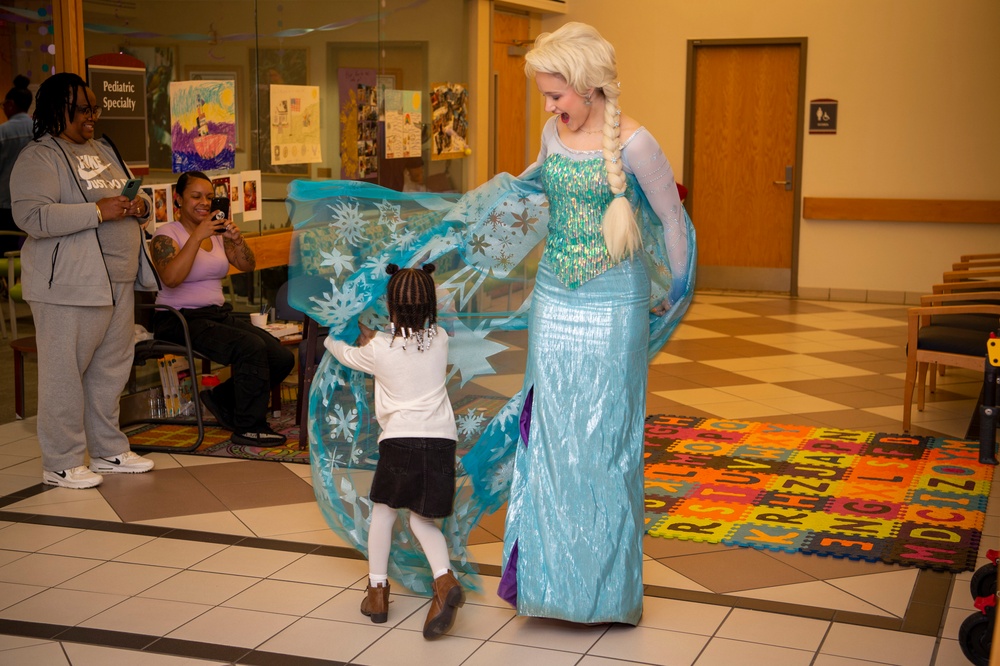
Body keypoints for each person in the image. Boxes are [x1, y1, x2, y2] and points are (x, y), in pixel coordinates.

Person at [284, 21, 694, 627]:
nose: (550, 107)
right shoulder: (555, 133)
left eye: (557, 94)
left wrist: (675, 290)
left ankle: (605, 593)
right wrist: (452, 228)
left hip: (614, 304)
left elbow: (673, 221)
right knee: (551, 437)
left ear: (586, 85)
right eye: (546, 96)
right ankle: (551, 589)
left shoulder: (637, 145)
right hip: (557, 297)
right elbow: (528, 190)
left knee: (602, 441)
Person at [10, 72, 158, 489]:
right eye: (84, 109)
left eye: (95, 108)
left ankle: (109, 449)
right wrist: (97, 211)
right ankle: (61, 460)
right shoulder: (38, 157)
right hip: (69, 285)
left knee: (111, 370)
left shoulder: (103, 148)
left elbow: (129, 198)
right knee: (64, 373)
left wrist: (139, 207)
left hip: (117, 280)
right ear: (58, 109)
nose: (93, 116)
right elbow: (32, 216)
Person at [324, 263, 465, 639]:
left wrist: (335, 336)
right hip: (440, 441)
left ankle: (377, 593)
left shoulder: (379, 351)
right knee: (423, 520)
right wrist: (378, 338)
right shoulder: (440, 339)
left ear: (390, 306)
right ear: (430, 305)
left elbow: (345, 352)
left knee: (384, 514)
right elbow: (407, 344)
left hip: (400, 441)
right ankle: (444, 580)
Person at [149, 171, 295, 447]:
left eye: (209, 196)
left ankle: (221, 399)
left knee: (280, 356)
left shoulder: (216, 234)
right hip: (178, 318)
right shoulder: (165, 235)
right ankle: (249, 427)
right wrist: (197, 236)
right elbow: (171, 278)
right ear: (179, 199)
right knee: (250, 347)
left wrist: (235, 240)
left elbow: (247, 265)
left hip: (214, 315)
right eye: (196, 196)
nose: (204, 202)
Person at [0, 75, 33, 256]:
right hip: (35, 201)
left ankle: (7, 283)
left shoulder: (2, 132)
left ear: (11, 104)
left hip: (5, 205)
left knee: (6, 252)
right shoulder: (41, 130)